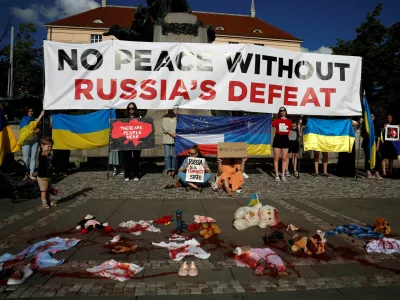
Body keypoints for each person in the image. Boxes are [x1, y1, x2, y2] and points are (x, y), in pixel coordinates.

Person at [19, 108, 45, 180]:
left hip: (35, 140)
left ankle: (31, 174)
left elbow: (37, 128)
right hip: (26, 141)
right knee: (26, 158)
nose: (30, 113)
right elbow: (31, 127)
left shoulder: (35, 119)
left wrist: (38, 130)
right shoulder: (23, 120)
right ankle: (25, 174)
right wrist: (41, 115)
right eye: (29, 111)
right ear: (26, 112)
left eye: (32, 111)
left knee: (33, 158)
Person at [271, 107, 292, 182]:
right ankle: (277, 175)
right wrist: (272, 116)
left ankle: (283, 175)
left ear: (286, 111)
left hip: (285, 139)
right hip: (277, 139)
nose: (282, 112)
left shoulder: (289, 121)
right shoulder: (276, 120)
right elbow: (271, 123)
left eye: (283, 110)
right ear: (279, 112)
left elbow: (290, 131)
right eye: (281, 110)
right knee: (276, 158)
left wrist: (285, 134)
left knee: (284, 158)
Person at [37, 137, 57, 209]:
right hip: (43, 177)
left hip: (48, 175)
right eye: (48, 146)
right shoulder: (42, 155)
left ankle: (48, 201)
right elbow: (43, 164)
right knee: (43, 190)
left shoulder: (48, 154)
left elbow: (52, 163)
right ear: (42, 145)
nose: (50, 148)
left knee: (48, 189)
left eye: (51, 146)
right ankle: (44, 203)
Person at [360, 112, 382, 179]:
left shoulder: (377, 125)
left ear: (374, 117)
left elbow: (378, 136)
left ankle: (376, 172)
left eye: (372, 116)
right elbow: (362, 134)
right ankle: (368, 171)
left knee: (378, 157)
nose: (371, 117)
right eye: (370, 116)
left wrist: (378, 144)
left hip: (374, 143)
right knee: (368, 157)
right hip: (367, 143)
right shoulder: (366, 125)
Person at [123, 102, 141, 182]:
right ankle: (127, 175)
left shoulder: (139, 117)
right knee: (127, 158)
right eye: (129, 108)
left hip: (136, 141)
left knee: (136, 158)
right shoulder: (124, 118)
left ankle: (136, 174)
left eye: (132, 108)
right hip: (127, 141)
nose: (131, 110)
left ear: (135, 109)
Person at [380, 114, 397, 178]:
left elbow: (396, 135)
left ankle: (390, 172)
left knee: (391, 158)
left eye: (390, 117)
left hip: (392, 143)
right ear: (386, 118)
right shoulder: (384, 125)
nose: (389, 119)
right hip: (385, 143)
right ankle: (384, 172)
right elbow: (381, 133)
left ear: (392, 118)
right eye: (388, 117)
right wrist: (384, 128)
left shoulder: (395, 126)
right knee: (383, 157)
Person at [162, 109, 177, 176]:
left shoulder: (176, 117)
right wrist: (171, 133)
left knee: (174, 155)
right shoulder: (164, 117)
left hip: (175, 138)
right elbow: (164, 128)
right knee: (167, 155)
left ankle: (174, 168)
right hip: (167, 138)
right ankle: (168, 169)